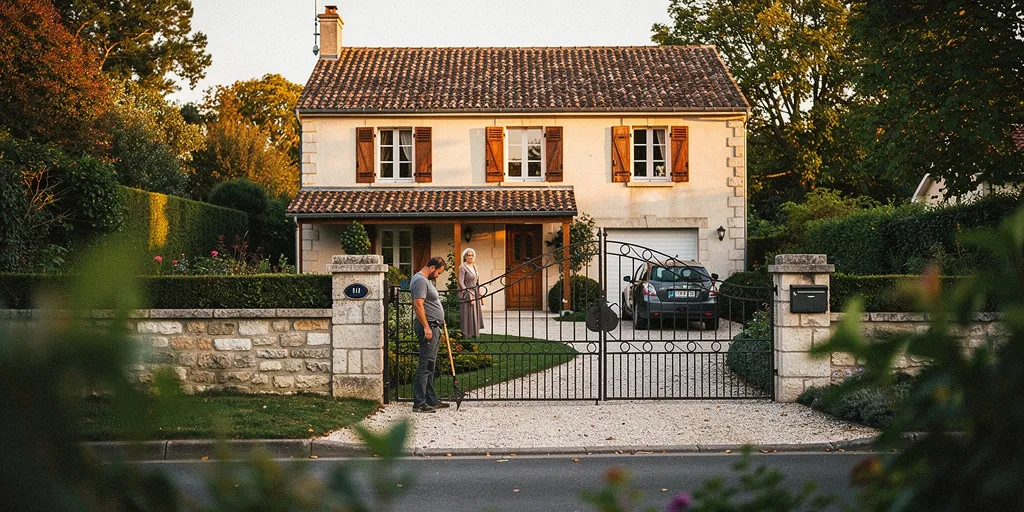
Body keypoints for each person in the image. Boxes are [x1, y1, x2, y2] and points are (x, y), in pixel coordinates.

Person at [410, 256, 450, 413]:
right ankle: (419, 403)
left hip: (435, 326)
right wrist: (426, 327)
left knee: (430, 365)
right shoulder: (420, 280)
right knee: (425, 364)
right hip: (428, 328)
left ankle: (431, 400)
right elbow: (418, 304)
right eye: (438, 272)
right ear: (432, 267)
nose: (438, 276)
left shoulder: (425, 280)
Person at [458, 248, 485, 338]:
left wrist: (480, 293)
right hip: (467, 291)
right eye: (468, 255)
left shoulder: (474, 266)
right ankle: (466, 333)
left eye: (472, 255)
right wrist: (467, 292)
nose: (470, 257)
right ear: (465, 256)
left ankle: (475, 333)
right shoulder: (462, 267)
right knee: (468, 312)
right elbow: (460, 281)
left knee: (476, 312)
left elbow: (478, 280)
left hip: (475, 291)